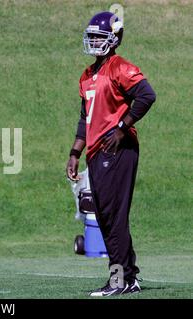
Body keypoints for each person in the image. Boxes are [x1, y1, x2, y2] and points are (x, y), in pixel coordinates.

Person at [66, 11, 156, 297]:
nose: (93, 41)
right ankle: (129, 277)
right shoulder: (87, 74)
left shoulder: (120, 67)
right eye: (91, 36)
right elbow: (86, 119)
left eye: (99, 36)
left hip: (117, 148)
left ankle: (119, 279)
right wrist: (74, 152)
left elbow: (146, 95)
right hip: (95, 151)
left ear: (114, 39)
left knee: (112, 216)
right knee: (106, 215)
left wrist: (121, 128)